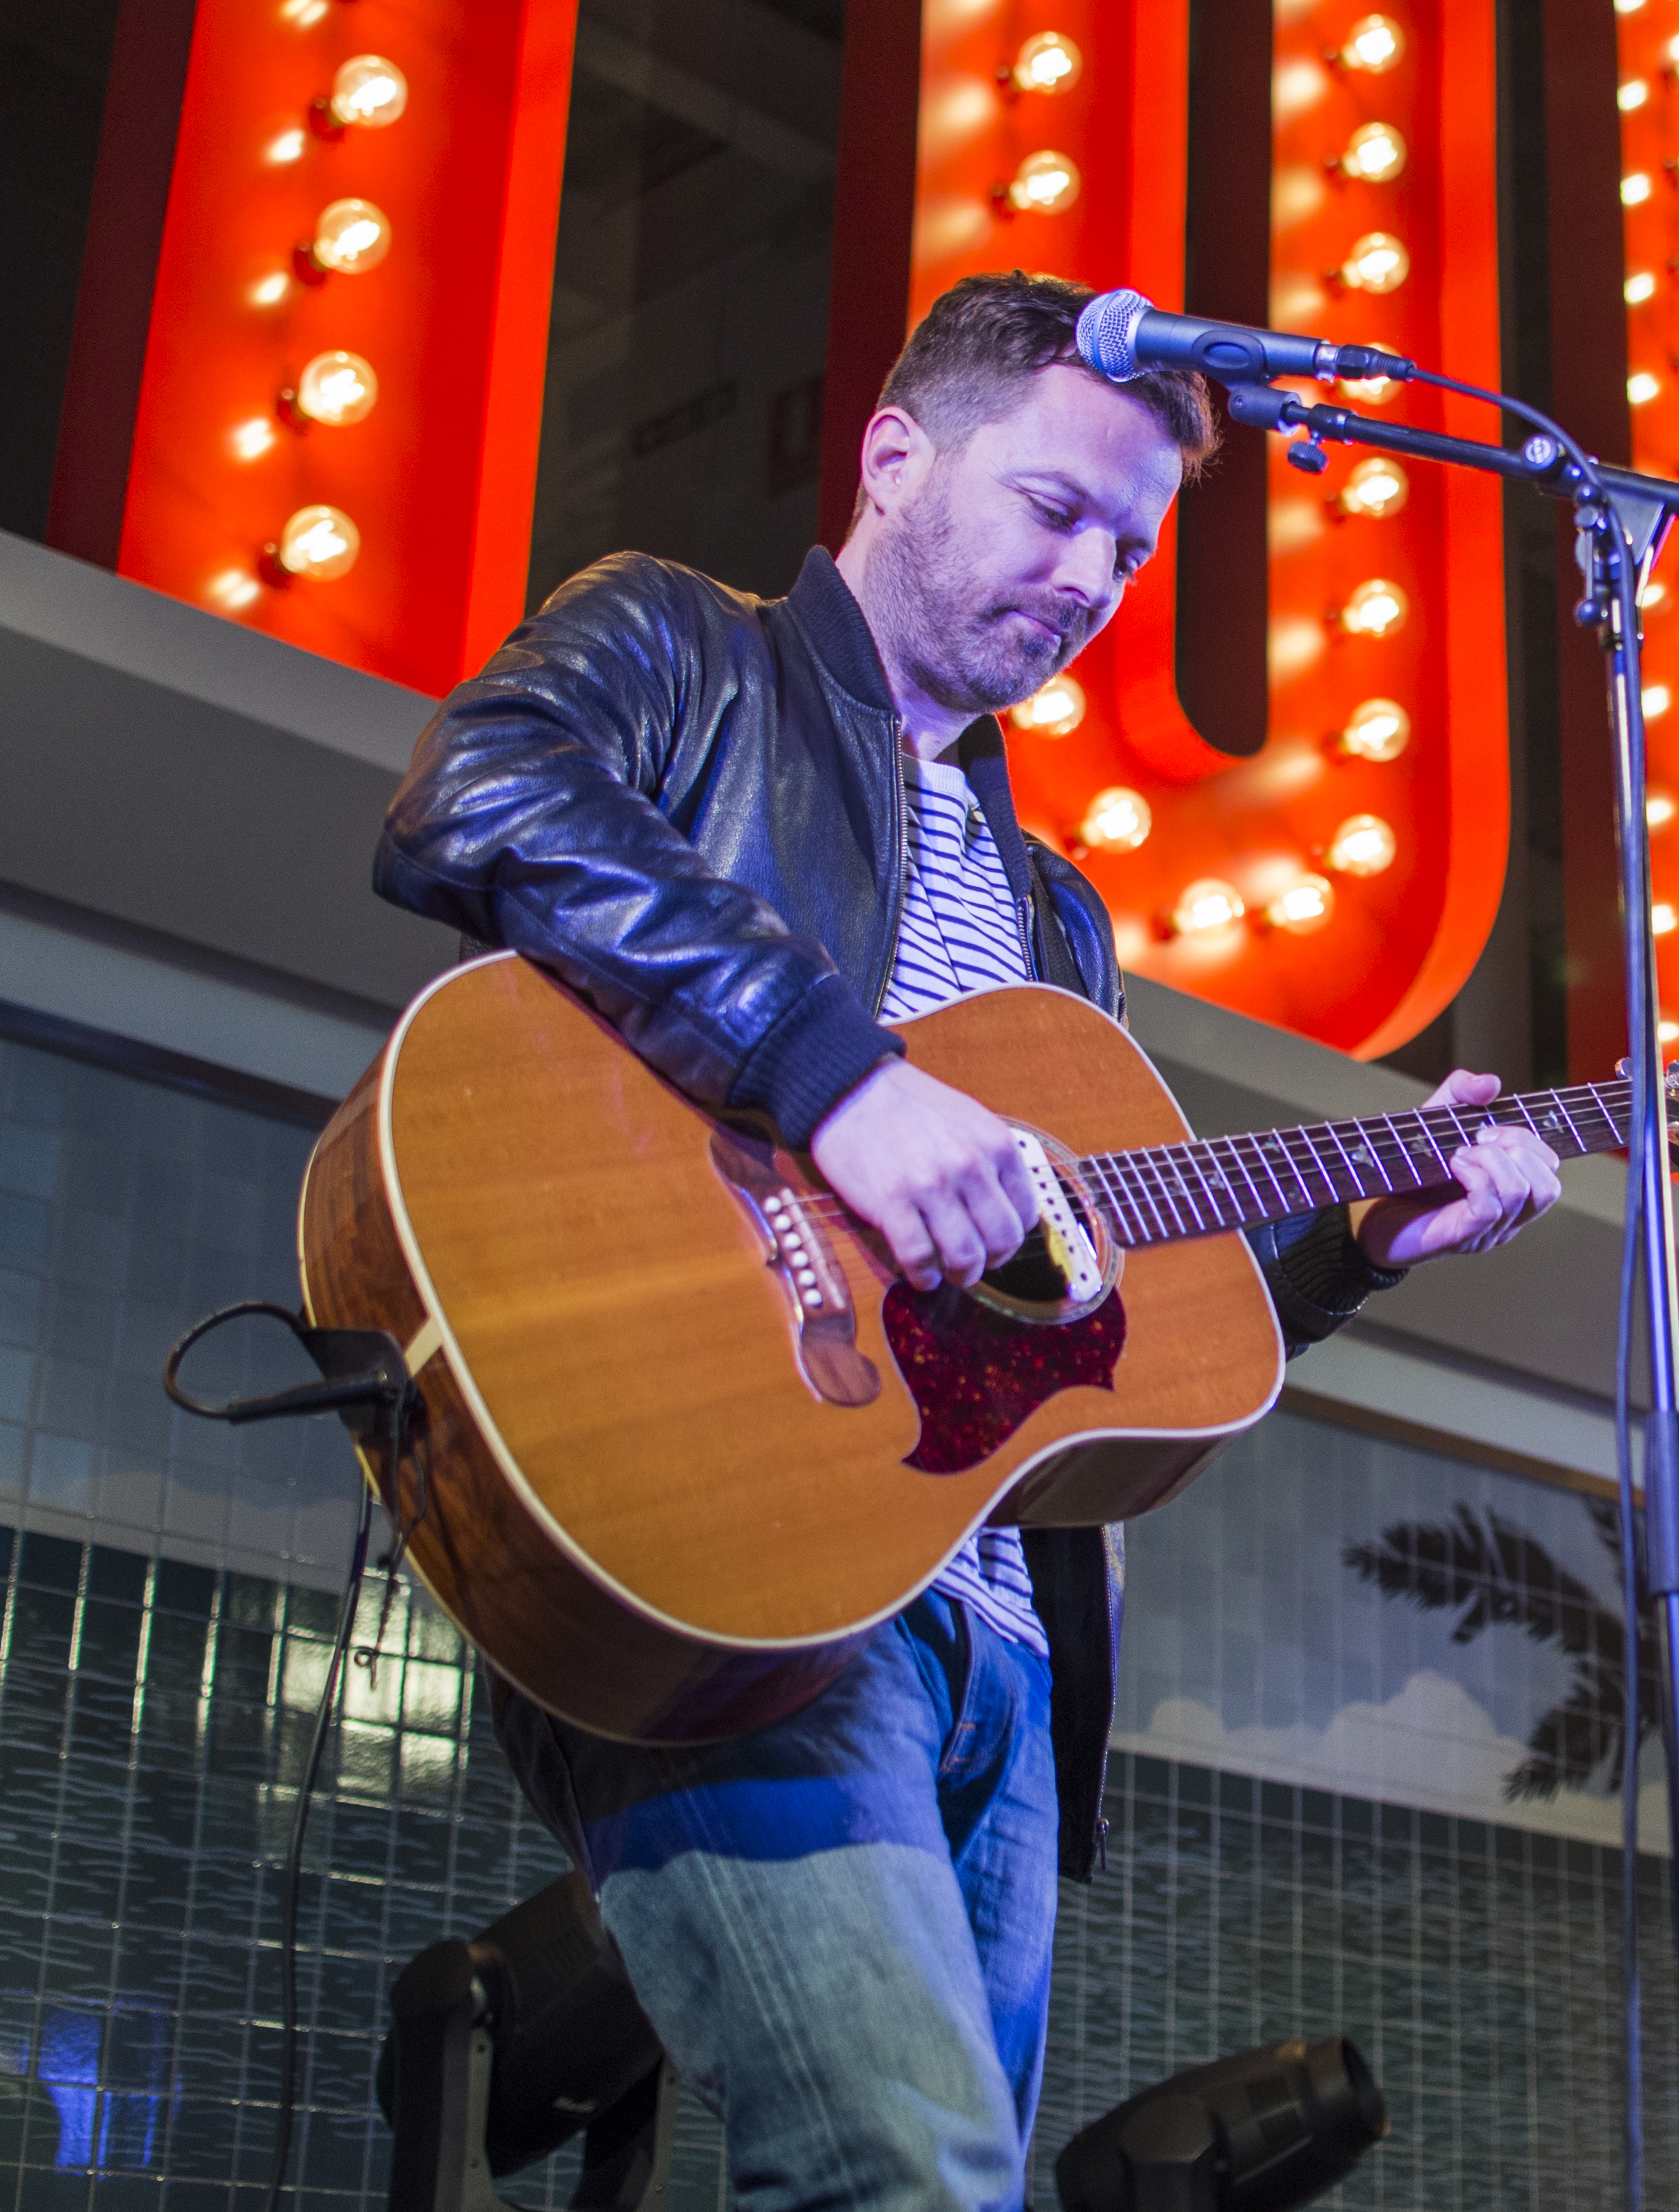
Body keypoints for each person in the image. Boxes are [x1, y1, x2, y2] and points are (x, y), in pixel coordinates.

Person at [374, 271, 1564, 2209]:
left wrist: (1358, 1233)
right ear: (895, 455)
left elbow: (1094, 1312)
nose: (1094, 574)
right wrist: (831, 1070)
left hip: (1000, 1646)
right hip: (739, 1557)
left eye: (1131, 541)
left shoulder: (1054, 914)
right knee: (900, 2171)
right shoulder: (684, 647)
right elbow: (477, 790)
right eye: (1053, 507)